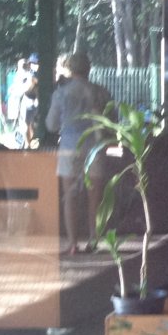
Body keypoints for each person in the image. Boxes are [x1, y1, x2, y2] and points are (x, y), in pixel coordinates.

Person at [45, 51, 113, 255]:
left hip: (69, 147)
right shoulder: (101, 92)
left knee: (70, 196)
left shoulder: (61, 94)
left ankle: (73, 243)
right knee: (96, 198)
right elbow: (112, 121)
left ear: (69, 69)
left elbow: (51, 125)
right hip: (95, 147)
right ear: (89, 68)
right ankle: (94, 239)